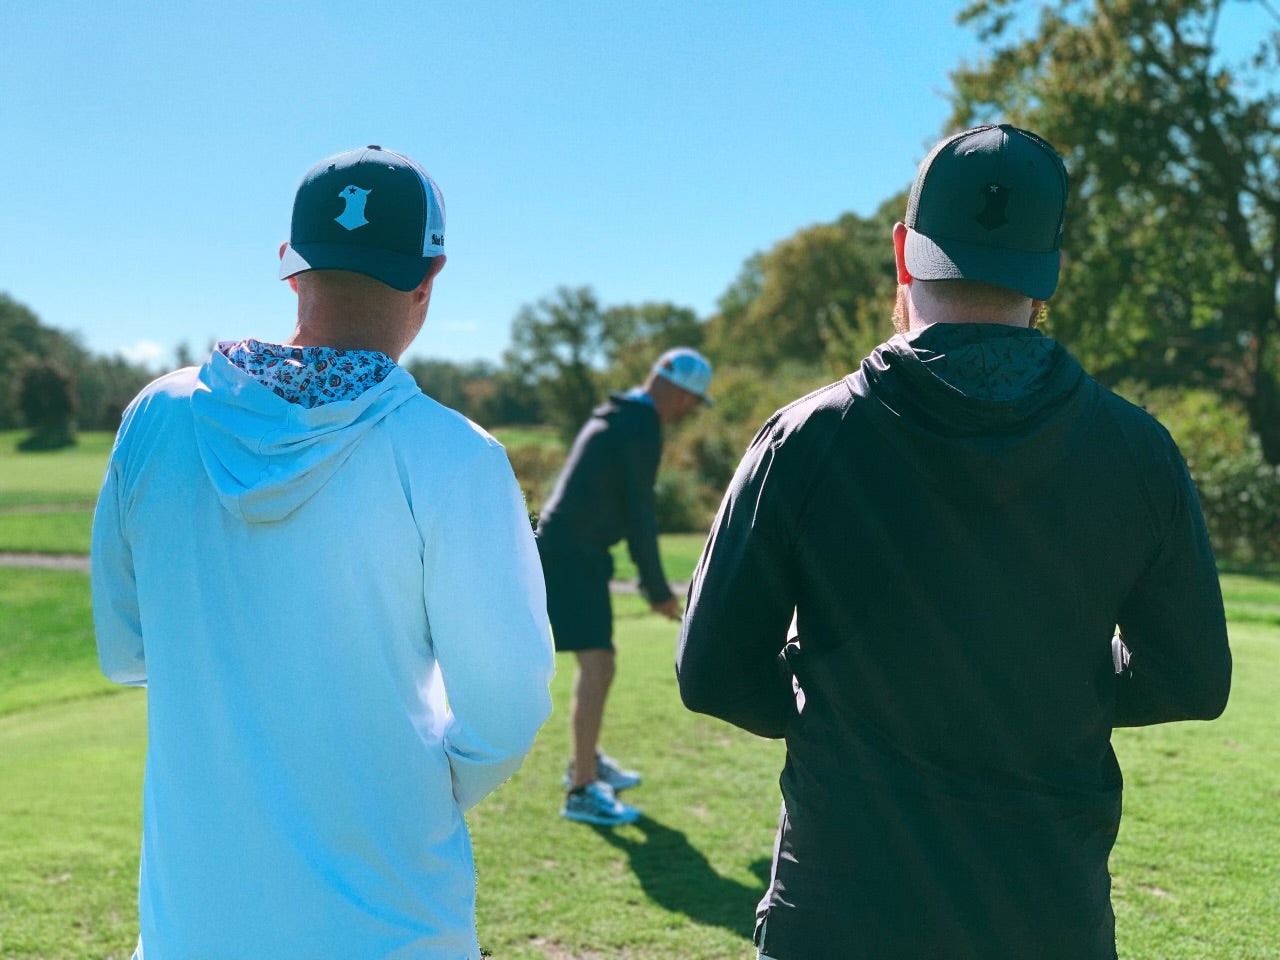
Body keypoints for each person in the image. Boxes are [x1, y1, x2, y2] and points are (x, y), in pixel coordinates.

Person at [677, 124, 1232, 960]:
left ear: (904, 251)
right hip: (1048, 917)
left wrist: (828, 710)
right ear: (1053, 271)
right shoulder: (1137, 450)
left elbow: (712, 670)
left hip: (839, 911)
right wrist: (1058, 692)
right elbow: (1192, 677)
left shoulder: (807, 440)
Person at [91, 145, 555, 960]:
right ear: (430, 275)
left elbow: (128, 651)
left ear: (288, 266)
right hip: (394, 924)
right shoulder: (455, 454)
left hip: (193, 924)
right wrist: (412, 787)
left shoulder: (156, 418)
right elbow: (507, 711)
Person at [536, 347, 712, 825]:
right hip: (572, 554)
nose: (690, 412)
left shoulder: (625, 415)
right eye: (692, 401)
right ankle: (581, 787)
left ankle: (585, 762)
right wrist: (656, 589)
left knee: (601, 663)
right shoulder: (640, 425)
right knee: (598, 664)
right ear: (678, 392)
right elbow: (641, 514)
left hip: (577, 552)